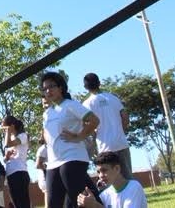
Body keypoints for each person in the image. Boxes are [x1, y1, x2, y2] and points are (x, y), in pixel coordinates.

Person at [41, 72, 101, 208]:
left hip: (72, 157)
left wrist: (79, 136)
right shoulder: (47, 113)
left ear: (61, 87)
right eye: (45, 89)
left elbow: (94, 120)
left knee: (78, 200)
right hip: (53, 163)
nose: (48, 91)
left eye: (51, 86)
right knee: (53, 203)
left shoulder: (70, 105)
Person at [81, 72, 132, 179]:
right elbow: (126, 118)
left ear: (85, 87)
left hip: (105, 148)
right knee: (128, 179)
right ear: (99, 83)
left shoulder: (87, 104)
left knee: (110, 182)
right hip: (121, 143)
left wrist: (95, 137)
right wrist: (120, 132)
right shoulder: (113, 98)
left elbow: (87, 126)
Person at [77, 151, 147, 208]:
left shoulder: (134, 187)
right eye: (98, 172)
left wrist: (96, 206)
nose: (100, 176)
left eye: (104, 170)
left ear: (117, 169)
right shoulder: (104, 195)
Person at [1, 115, 30, 208]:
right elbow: (5, 160)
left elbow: (8, 144)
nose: (4, 130)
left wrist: (8, 131)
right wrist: (7, 156)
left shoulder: (23, 136)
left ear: (12, 126)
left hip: (20, 173)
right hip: (10, 174)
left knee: (23, 204)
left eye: (5, 127)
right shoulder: (9, 138)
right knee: (16, 204)